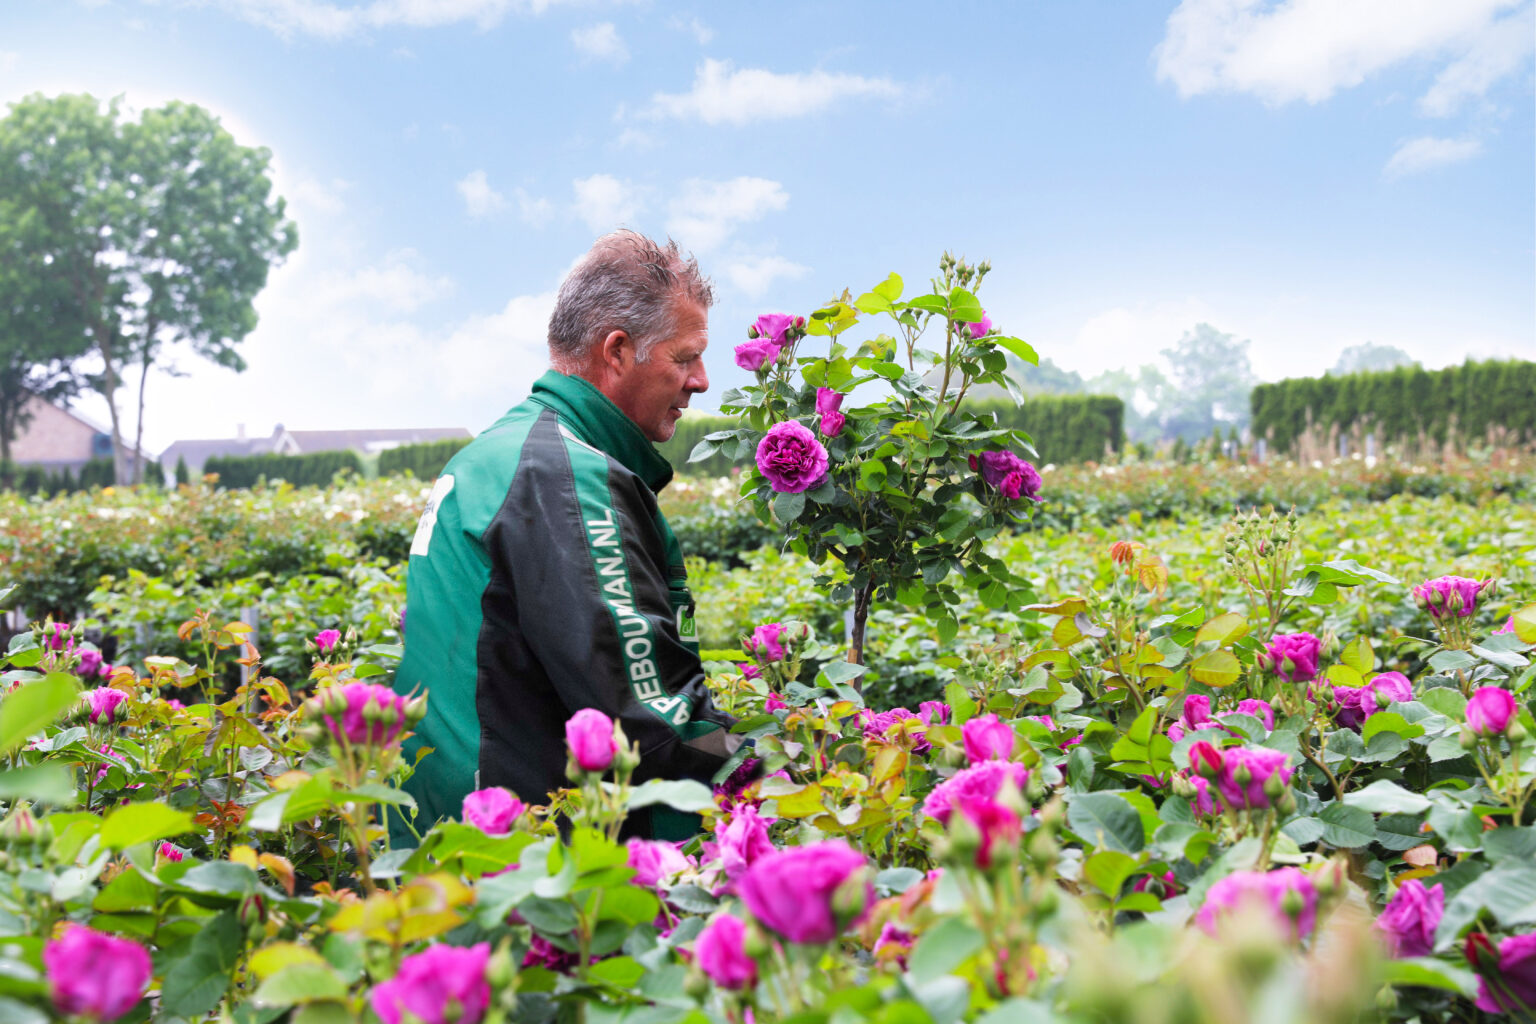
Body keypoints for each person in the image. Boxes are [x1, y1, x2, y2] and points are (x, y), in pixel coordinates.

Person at [390, 229, 742, 841]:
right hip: (523, 870)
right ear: (618, 351)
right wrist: (782, 773)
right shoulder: (565, 478)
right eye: (685, 358)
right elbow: (648, 716)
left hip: (441, 846)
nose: (702, 380)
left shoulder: (492, 455)